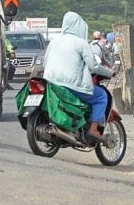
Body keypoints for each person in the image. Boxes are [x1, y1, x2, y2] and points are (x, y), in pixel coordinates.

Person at [43, 11, 114, 143]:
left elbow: (45, 62)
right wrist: (110, 73)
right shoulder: (81, 43)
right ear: (79, 26)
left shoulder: (54, 42)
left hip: (51, 83)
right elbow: (93, 67)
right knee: (101, 96)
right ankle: (93, 129)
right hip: (71, 85)